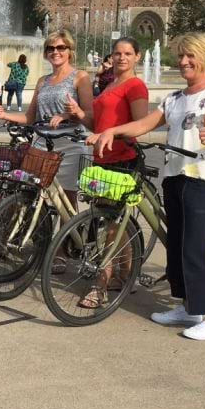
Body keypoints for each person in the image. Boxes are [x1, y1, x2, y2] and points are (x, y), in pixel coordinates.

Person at [89, 32, 205, 340]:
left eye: (191, 56)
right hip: (174, 178)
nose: (184, 61)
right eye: (182, 55)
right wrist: (112, 131)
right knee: (175, 246)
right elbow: (145, 124)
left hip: (203, 179)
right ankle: (190, 307)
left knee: (195, 249)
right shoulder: (174, 97)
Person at [75, 37, 149, 309]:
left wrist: (113, 135)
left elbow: (140, 125)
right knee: (114, 224)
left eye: (128, 53)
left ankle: (101, 286)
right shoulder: (110, 85)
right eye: (117, 53)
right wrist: (78, 115)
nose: (121, 57)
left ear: (137, 57)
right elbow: (97, 123)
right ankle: (125, 276)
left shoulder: (135, 85)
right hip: (102, 160)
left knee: (109, 227)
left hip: (121, 161)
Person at [0, 30, 93, 227]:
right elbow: (30, 117)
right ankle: (39, 238)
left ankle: (67, 246)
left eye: (61, 47)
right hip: (41, 143)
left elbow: (89, 114)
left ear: (69, 51)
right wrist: (5, 115)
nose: (55, 52)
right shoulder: (42, 81)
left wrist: (68, 114)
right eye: (51, 48)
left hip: (69, 143)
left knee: (66, 197)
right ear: (46, 53)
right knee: (32, 190)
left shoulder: (80, 77)